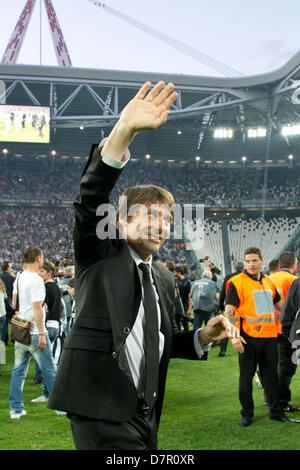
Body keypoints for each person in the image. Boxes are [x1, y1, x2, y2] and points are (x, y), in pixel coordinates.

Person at [48, 80, 240, 450]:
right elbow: (91, 198)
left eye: (167, 219)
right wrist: (124, 131)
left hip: (146, 413)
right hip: (100, 408)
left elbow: (157, 343)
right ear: (120, 221)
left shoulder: (164, 278)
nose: (161, 225)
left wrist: (202, 337)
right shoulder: (99, 254)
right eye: (149, 215)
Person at [225, 246, 299, 427]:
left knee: (271, 377)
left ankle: (276, 412)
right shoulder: (236, 282)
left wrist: (294, 323)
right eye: (248, 261)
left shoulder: (268, 282)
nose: (251, 264)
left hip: (269, 338)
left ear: (262, 261)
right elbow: (229, 311)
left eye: (254, 261)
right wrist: (235, 336)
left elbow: (281, 306)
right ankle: (247, 414)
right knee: (246, 377)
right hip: (248, 338)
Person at [9, 246, 57, 419]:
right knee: (49, 369)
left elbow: (15, 303)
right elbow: (38, 309)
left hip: (21, 330)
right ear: (38, 258)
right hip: (35, 332)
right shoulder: (36, 280)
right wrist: (43, 333)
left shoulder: (20, 276)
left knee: (18, 370)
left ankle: (15, 409)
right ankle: (59, 406)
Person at [269, 252, 299, 411]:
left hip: (267, 329)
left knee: (272, 365)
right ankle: (282, 402)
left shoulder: (269, 279)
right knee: (287, 366)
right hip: (286, 331)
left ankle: (270, 397)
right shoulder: (293, 281)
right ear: (294, 265)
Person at [30, 260, 62, 390]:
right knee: (47, 357)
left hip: (47, 325)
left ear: (49, 273)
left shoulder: (45, 288)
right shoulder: (56, 287)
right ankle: (45, 383)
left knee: (44, 359)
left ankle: (46, 386)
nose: (39, 273)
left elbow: (44, 309)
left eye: (42, 271)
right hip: (55, 325)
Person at [218, 261, 244, 357]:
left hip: (229, 306)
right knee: (242, 327)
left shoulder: (228, 277)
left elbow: (223, 292)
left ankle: (223, 350)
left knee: (227, 327)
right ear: (243, 268)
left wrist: (220, 306)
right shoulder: (245, 277)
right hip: (241, 306)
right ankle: (243, 348)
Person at [0, 261, 15, 345]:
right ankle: (14, 338)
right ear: (8, 268)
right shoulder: (12, 278)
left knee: (4, 323)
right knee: (13, 322)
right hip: (10, 303)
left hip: (2, 304)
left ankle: (4, 339)